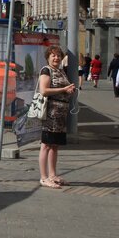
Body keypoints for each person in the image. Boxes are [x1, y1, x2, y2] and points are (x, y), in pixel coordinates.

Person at [37, 45, 77, 189]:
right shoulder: (46, 70)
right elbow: (44, 90)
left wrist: (69, 91)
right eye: (53, 55)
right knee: (46, 145)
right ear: (48, 57)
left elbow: (62, 88)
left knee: (55, 146)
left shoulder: (60, 71)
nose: (56, 58)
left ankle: (53, 175)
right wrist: (64, 89)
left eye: (58, 55)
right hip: (51, 113)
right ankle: (43, 177)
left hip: (61, 114)